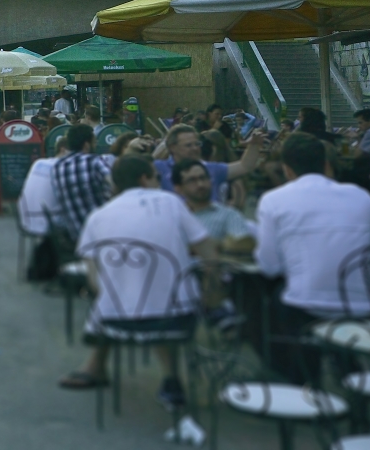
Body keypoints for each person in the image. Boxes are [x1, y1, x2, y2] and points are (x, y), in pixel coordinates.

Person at [58, 155, 215, 410]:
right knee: (165, 295)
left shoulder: (98, 216)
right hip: (177, 319)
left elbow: (95, 282)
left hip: (116, 321)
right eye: (156, 176)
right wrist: (209, 290)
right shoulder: (171, 202)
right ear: (145, 178)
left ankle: (95, 366)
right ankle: (171, 379)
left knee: (123, 295)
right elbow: (209, 252)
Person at [255, 134, 370, 382]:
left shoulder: (273, 200)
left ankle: (299, 377)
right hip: (363, 302)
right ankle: (343, 364)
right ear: (326, 164)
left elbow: (269, 267)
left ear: (287, 169)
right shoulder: (361, 196)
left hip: (308, 305)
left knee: (265, 301)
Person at [154, 124, 263, 203]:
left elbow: (245, 166)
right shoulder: (159, 168)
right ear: (173, 147)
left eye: (197, 144)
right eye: (188, 145)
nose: (195, 148)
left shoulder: (211, 168)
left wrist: (253, 145)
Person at [171, 158, 255, 255]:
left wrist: (204, 246)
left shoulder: (228, 215)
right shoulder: (172, 216)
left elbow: (243, 245)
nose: (200, 184)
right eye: (192, 180)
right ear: (178, 189)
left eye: (203, 178)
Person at [49, 124, 110, 238]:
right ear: (87, 145)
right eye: (95, 142)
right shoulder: (93, 161)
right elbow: (115, 183)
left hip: (75, 234)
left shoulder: (57, 167)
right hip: (100, 232)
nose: (96, 145)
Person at [18, 131, 70, 237]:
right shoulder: (63, 167)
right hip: (50, 225)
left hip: (26, 221)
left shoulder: (38, 163)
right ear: (63, 150)